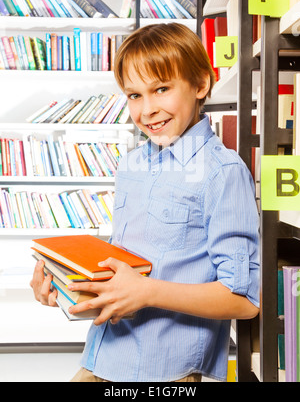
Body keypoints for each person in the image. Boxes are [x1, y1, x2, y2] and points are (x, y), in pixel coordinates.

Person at [30, 23, 260, 382]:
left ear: (201, 84)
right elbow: (126, 266)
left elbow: (244, 300)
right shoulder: (131, 164)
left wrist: (148, 293)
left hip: (164, 372)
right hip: (101, 358)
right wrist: (64, 284)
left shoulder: (223, 172)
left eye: (162, 89)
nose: (147, 109)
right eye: (134, 95)